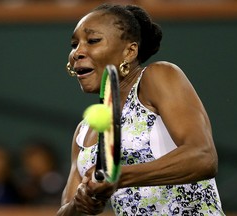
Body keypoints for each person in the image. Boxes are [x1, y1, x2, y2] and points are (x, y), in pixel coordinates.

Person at [57, 3, 225, 215]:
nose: (77, 52)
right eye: (74, 44)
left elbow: (203, 157)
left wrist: (119, 176)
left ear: (129, 51)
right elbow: (66, 209)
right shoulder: (83, 132)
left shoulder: (158, 76)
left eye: (92, 41)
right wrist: (80, 204)